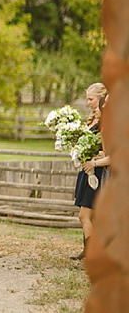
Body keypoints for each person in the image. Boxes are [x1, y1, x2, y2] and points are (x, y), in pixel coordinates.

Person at [72, 84, 108, 260]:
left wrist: (93, 157)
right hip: (86, 169)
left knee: (84, 214)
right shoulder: (93, 119)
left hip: (97, 171)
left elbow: (106, 151)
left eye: (91, 99)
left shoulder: (105, 122)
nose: (88, 103)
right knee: (88, 215)